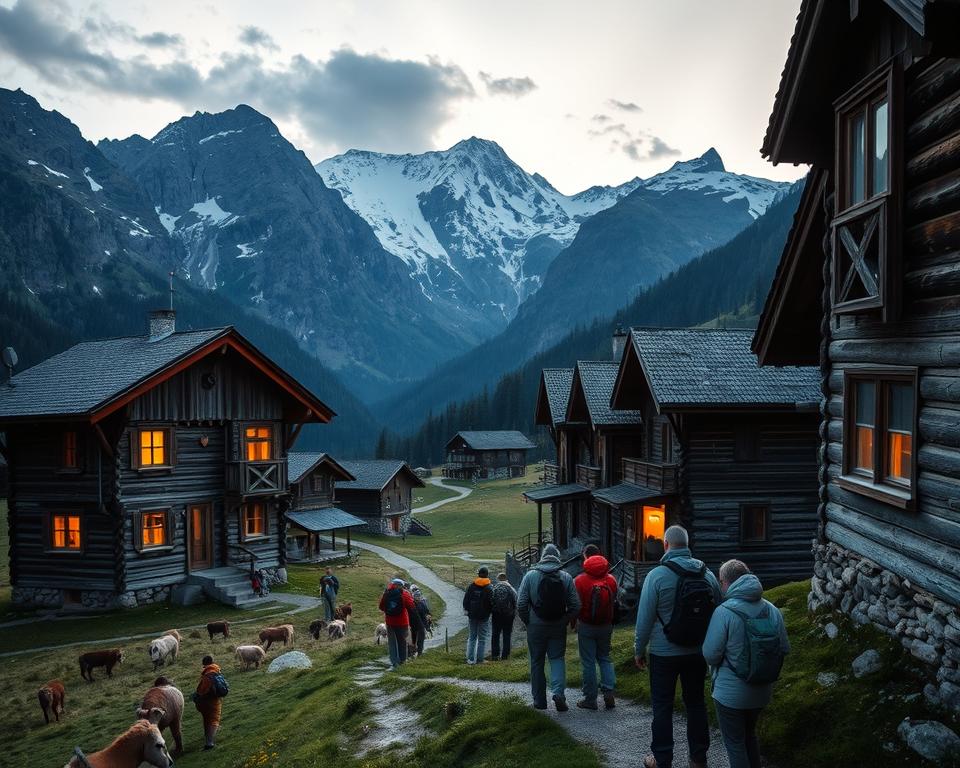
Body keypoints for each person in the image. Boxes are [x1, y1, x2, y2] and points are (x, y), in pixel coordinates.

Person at [634, 525, 721, 768]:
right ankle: (698, 758)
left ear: (665, 545)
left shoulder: (657, 575)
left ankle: (662, 759)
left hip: (663, 653)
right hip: (697, 651)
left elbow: (645, 618)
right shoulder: (707, 574)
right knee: (696, 703)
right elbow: (718, 611)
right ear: (687, 544)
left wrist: (638, 649)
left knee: (662, 705)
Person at [702, 560, 790, 768]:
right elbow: (784, 648)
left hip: (730, 693)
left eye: (721, 582)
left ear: (726, 583)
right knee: (749, 736)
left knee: (735, 744)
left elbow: (710, 654)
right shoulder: (771, 610)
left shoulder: (724, 612)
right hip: (761, 691)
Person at [517, 543, 581, 711]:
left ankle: (539, 701)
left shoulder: (530, 576)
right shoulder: (566, 577)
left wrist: (528, 621)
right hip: (558, 626)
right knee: (557, 659)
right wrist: (565, 619)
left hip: (535, 626)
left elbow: (521, 603)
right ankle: (559, 694)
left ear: (542, 557)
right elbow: (576, 606)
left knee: (537, 662)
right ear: (557, 558)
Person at [574, 547, 619, 710]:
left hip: (586, 625)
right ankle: (609, 693)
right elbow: (615, 600)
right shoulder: (611, 580)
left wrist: (573, 623)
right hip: (606, 625)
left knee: (588, 662)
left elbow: (576, 605)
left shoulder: (579, 581)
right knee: (605, 657)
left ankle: (590, 699)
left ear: (585, 559)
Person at [379, 576, 415, 669]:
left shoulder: (386, 593)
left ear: (393, 584)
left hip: (390, 622)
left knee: (392, 643)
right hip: (402, 622)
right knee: (402, 642)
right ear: (402, 585)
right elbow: (411, 606)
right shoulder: (404, 594)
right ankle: (403, 661)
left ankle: (394, 662)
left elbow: (381, 607)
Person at [193, 654, 227, 750]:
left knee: (209, 720)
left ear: (204, 664)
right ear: (212, 662)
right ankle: (209, 741)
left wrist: (199, 696)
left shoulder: (207, 673)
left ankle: (208, 741)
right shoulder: (216, 670)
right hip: (213, 700)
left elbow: (204, 689)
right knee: (213, 720)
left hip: (206, 700)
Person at [463, 566, 494, 664]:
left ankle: (470, 659)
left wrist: (468, 610)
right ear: (487, 575)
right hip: (484, 616)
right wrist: (490, 612)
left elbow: (466, 600)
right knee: (482, 638)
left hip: (472, 615)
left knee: (472, 637)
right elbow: (492, 602)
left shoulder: (472, 586)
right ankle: (480, 659)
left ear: (478, 574)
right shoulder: (489, 587)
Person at [490, 572, 518, 660]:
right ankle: (505, 655)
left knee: (495, 634)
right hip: (508, 615)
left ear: (498, 579)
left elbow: (491, 601)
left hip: (496, 614)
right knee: (507, 634)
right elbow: (515, 601)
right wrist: (513, 612)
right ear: (506, 579)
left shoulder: (494, 588)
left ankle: (495, 655)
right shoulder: (511, 588)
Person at [410, 584, 432, 656]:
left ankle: (420, 653)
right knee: (414, 640)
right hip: (414, 625)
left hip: (422, 624)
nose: (418, 597)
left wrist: (429, 615)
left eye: (419, 596)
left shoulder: (422, 603)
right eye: (416, 596)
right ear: (413, 597)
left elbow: (427, 611)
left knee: (421, 640)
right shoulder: (412, 604)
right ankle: (412, 653)